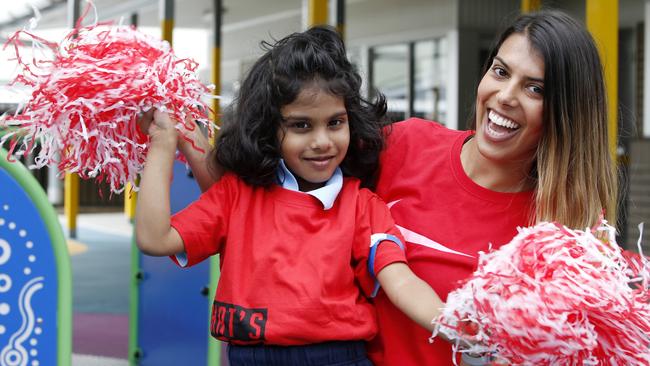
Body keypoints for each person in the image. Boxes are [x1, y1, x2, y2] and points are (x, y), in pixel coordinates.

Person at [135, 26, 444, 366]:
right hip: (250, 357)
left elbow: (400, 281)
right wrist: (164, 143)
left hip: (340, 358)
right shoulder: (237, 195)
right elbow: (154, 238)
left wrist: (453, 323)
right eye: (301, 125)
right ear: (268, 129)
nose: (322, 141)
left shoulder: (361, 206)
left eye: (335, 122)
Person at [366, 9, 618, 366]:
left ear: (566, 112)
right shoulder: (401, 145)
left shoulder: (572, 231)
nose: (505, 96)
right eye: (500, 72)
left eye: (536, 89)